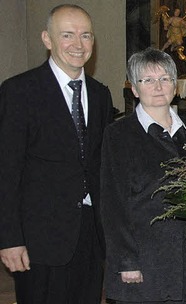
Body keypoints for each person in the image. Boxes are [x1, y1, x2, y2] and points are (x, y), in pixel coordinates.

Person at [0, 4, 113, 303]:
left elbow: (99, 165)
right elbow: (6, 171)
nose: (78, 44)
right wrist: (9, 240)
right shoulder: (19, 91)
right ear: (47, 39)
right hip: (40, 239)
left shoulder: (101, 95)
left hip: (89, 237)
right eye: (67, 35)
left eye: (85, 35)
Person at [100, 48, 186, 303]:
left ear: (175, 86)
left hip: (183, 261)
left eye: (165, 78)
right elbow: (113, 204)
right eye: (147, 80)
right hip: (141, 263)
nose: (158, 86)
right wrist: (126, 260)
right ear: (134, 89)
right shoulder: (119, 134)